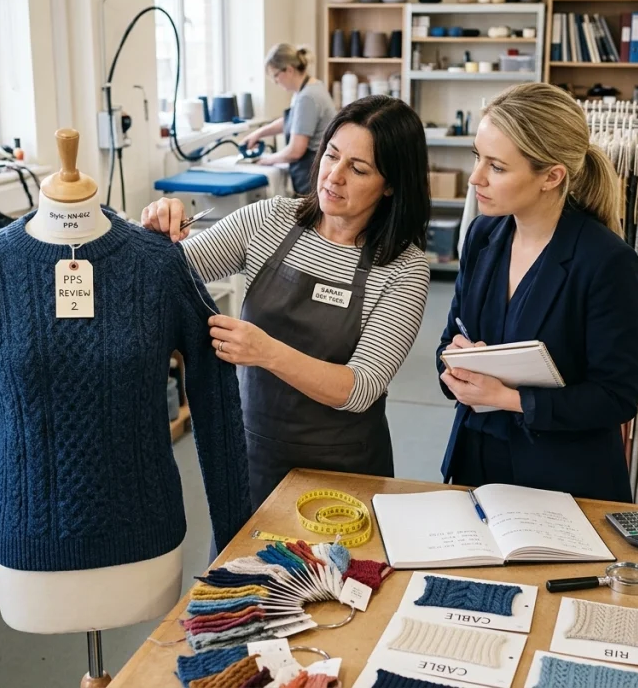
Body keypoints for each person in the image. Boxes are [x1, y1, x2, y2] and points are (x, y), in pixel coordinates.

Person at [143, 95, 431, 507]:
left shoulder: (404, 269)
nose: (334, 176)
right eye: (331, 155)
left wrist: (266, 352)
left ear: (390, 185)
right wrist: (156, 232)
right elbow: (171, 272)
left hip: (344, 468)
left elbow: (360, 387)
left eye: (359, 168)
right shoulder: (271, 220)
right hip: (253, 456)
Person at [436, 83, 638, 502]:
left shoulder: (606, 261)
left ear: (552, 176)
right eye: (478, 157)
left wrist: (508, 398)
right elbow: (448, 340)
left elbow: (615, 397)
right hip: (474, 462)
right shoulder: (482, 235)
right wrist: (456, 368)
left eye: (496, 166)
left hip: (562, 479)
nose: (475, 177)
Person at [245, 43, 337, 195]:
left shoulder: (307, 97)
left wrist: (266, 160)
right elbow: (295, 121)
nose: (275, 82)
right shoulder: (310, 88)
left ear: (289, 70)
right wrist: (259, 133)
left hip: (311, 174)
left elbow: (296, 150)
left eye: (275, 75)